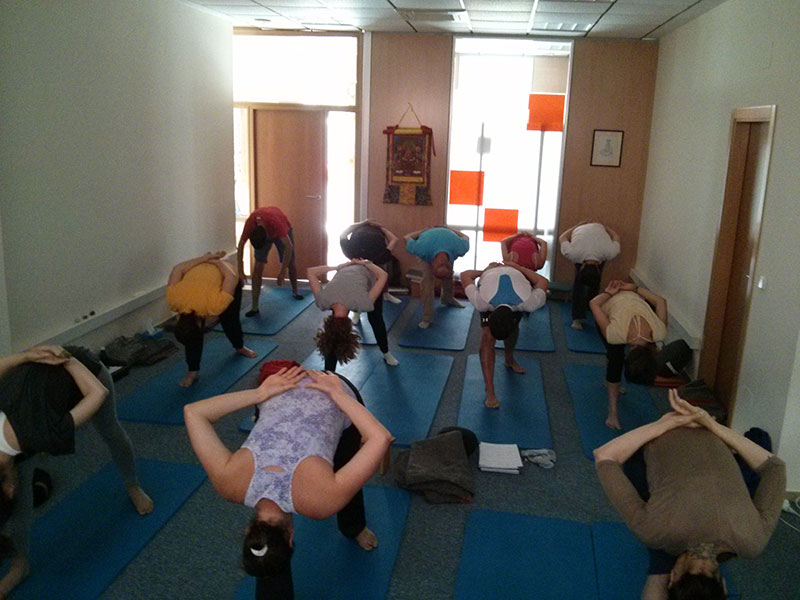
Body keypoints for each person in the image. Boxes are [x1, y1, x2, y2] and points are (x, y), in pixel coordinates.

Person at [183, 364, 392, 599]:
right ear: (248, 530)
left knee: (346, 476)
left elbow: (380, 438)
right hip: (286, 385)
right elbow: (193, 412)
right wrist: (260, 393)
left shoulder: (324, 501)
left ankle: (353, 527)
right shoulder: (227, 483)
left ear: (291, 538)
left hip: (308, 389)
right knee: (344, 482)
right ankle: (352, 529)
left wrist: (339, 395)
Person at [593, 390, 786, 599]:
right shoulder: (652, 530)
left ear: (724, 586)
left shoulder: (753, 542)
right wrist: (666, 424)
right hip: (663, 434)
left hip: (708, 431)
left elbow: (775, 468)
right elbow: (604, 456)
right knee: (658, 541)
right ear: (673, 577)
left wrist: (710, 425)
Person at [0, 345, 154, 596]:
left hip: (86, 370)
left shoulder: (45, 434)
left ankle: (133, 484)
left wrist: (55, 357)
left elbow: (99, 392)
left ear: (8, 488)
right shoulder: (33, 439)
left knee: (110, 430)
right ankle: (20, 565)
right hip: (34, 409)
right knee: (24, 486)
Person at [461, 262, 548, 408]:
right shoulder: (482, 302)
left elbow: (543, 281)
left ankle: (509, 359)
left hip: (516, 274)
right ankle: (489, 390)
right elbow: (464, 275)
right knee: (487, 338)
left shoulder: (529, 303)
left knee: (511, 329)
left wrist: (519, 268)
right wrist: (485, 271)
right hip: (491, 276)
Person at [167, 251, 258, 387]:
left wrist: (215, 261)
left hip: (226, 274)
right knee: (191, 336)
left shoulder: (214, 306)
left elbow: (231, 277)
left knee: (230, 320)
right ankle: (192, 372)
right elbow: (178, 269)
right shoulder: (173, 301)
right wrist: (206, 259)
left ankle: (239, 347)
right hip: (202, 270)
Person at [590, 279, 667, 430]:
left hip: (631, 295)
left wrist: (635, 288)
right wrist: (609, 293)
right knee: (615, 357)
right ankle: (612, 412)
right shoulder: (615, 334)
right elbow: (594, 304)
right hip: (609, 305)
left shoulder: (659, 331)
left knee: (615, 353)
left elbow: (660, 301)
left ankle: (611, 384)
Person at [307, 260, 397, 370]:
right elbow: (311, 271)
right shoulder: (322, 301)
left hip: (367, 273)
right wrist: (338, 266)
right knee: (334, 337)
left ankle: (386, 352)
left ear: (349, 327)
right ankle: (329, 373)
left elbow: (383, 275)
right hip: (348, 267)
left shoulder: (364, 303)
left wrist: (367, 264)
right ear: (328, 323)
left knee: (375, 319)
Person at [236, 206, 303, 317]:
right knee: (257, 267)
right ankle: (254, 307)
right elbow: (241, 245)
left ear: (267, 236)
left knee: (290, 262)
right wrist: (240, 270)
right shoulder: (250, 224)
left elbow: (289, 247)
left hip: (282, 230)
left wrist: (282, 271)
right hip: (263, 233)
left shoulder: (277, 224)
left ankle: (295, 291)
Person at [559, 221, 621, 330]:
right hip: (592, 231)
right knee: (580, 284)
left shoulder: (608, 252)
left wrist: (576, 225)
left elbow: (562, 237)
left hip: (590, 232)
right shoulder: (575, 254)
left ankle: (590, 308)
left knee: (591, 281)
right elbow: (616, 236)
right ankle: (578, 316)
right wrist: (605, 227)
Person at [404, 226, 470, 329]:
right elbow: (407, 237)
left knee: (448, 275)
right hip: (428, 248)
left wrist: (449, 229)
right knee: (427, 283)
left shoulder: (459, 248)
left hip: (447, 243)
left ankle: (448, 298)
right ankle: (426, 318)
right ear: (432, 265)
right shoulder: (421, 249)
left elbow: (466, 237)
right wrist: (424, 230)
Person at [340, 219, 402, 305]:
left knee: (381, 272)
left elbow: (345, 232)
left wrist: (364, 223)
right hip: (360, 267)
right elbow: (394, 239)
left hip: (373, 262)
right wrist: (382, 228)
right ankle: (359, 301)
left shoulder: (351, 251)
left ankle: (385, 293)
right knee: (375, 275)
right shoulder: (352, 251)